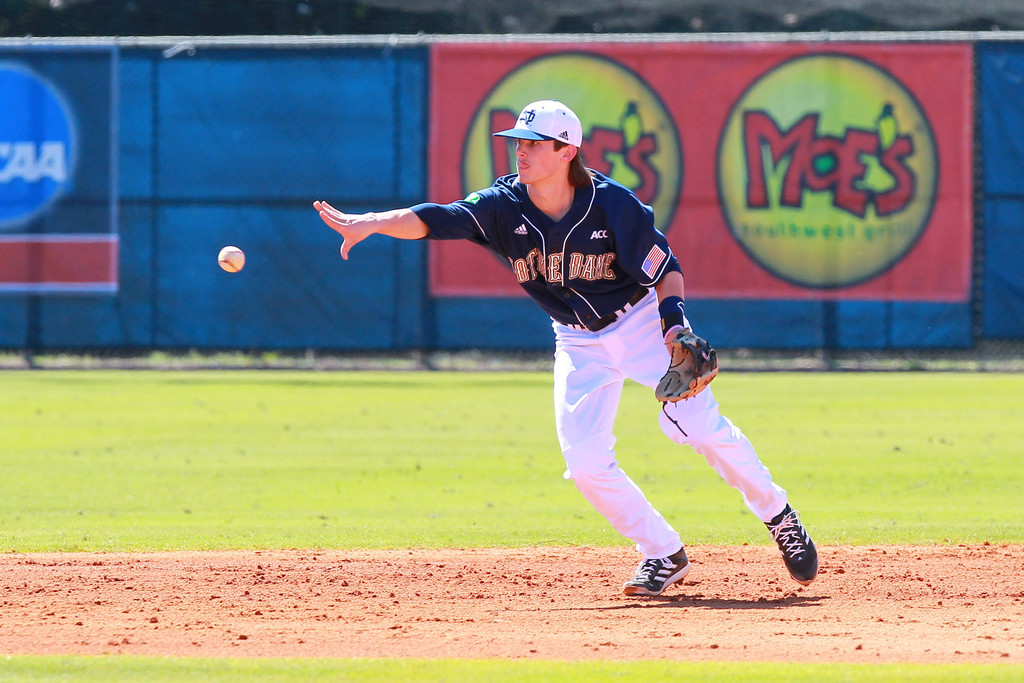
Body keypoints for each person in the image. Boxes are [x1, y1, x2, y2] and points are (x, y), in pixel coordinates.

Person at [314, 100, 818, 596]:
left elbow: (666, 272)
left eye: (534, 143)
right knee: (584, 462)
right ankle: (663, 552)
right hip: (577, 338)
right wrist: (374, 222)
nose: (521, 152)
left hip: (637, 323)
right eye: (518, 143)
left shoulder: (614, 205)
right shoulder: (502, 205)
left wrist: (673, 327)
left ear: (566, 151)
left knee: (702, 428)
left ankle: (780, 517)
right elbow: (436, 218)